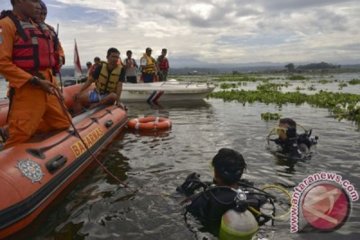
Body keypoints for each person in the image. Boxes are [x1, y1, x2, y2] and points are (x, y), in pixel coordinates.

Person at [0, 0, 70, 149]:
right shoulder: (6, 25)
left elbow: (55, 51)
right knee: (19, 135)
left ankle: (27, 132)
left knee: (63, 123)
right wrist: (35, 81)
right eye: (34, 1)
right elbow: (2, 63)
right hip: (28, 87)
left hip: (49, 85)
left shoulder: (40, 27)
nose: (38, 5)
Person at [177, 148, 271, 238]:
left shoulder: (202, 198)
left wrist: (184, 191)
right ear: (241, 173)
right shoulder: (253, 197)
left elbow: (180, 206)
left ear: (215, 172)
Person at [73, 48, 125, 112]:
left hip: (109, 95)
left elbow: (119, 86)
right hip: (97, 93)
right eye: (113, 57)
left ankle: (96, 105)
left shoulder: (121, 70)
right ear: (107, 57)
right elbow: (90, 80)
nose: (115, 59)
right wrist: (79, 92)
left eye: (117, 57)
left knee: (114, 96)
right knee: (78, 98)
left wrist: (118, 101)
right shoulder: (100, 67)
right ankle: (78, 117)